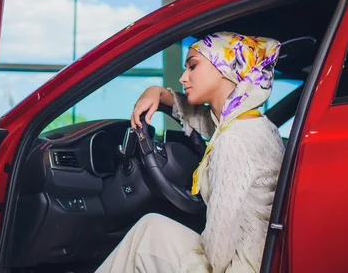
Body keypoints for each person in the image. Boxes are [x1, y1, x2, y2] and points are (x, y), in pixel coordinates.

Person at [96, 32, 285, 273]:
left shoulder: (233, 139)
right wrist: (158, 92)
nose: (183, 77)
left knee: (147, 234)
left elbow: (218, 252)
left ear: (223, 67)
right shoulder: (254, 124)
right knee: (151, 229)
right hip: (264, 260)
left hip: (240, 266)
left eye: (193, 66)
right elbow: (202, 119)